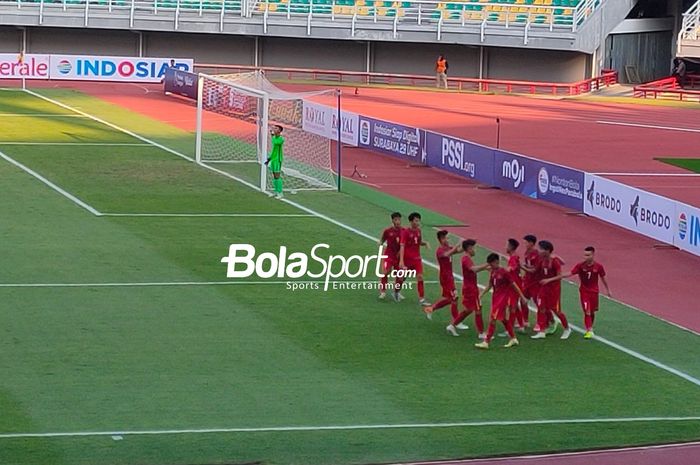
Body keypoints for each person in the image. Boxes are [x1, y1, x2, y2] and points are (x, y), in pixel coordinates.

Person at [544, 246, 611, 339]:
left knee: (592, 312)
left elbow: (603, 277)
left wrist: (608, 290)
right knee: (587, 311)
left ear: (593, 255)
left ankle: (590, 326)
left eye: (588, 255)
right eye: (585, 255)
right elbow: (570, 273)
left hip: (594, 292)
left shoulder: (598, 266)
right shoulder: (580, 265)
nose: (586, 257)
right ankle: (589, 330)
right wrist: (557, 277)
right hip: (584, 292)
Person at [475, 254, 527, 350]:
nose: (490, 266)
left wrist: (522, 297)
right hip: (495, 298)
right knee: (503, 319)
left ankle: (486, 341)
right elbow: (490, 285)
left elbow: (514, 285)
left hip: (502, 299)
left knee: (493, 319)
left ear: (496, 262)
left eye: (491, 264)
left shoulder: (504, 272)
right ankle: (513, 338)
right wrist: (481, 294)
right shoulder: (493, 272)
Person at [424, 230, 465, 336]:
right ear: (442, 239)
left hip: (449, 277)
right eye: (447, 238)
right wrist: (458, 243)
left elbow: (458, 251)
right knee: (454, 298)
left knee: (450, 299)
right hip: (446, 278)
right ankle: (457, 321)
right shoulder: (440, 251)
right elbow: (449, 254)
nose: (448, 240)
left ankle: (431, 309)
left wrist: (466, 245)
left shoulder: (448, 248)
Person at [531, 240, 571, 340]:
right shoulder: (541, 260)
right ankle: (542, 331)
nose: (538, 251)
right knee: (541, 308)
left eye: (541, 249)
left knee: (556, 311)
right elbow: (535, 270)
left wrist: (548, 280)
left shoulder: (554, 262)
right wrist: (522, 266)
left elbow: (560, 276)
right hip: (544, 289)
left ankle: (567, 328)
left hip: (554, 290)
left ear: (547, 251)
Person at [457, 239, 490, 339]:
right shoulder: (466, 259)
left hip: (469, 288)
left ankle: (452, 325)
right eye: (473, 248)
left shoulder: (467, 259)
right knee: (478, 309)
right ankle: (481, 333)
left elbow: (473, 269)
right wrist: (488, 263)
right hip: (470, 289)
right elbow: (474, 269)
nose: (475, 250)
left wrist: (485, 268)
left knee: (469, 310)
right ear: (469, 248)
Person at [396, 212, 430, 306]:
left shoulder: (418, 231)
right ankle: (396, 291)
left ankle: (422, 298)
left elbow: (418, 242)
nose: (418, 222)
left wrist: (425, 243)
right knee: (402, 277)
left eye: (418, 220)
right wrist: (401, 261)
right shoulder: (405, 232)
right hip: (407, 259)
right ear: (411, 221)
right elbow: (402, 246)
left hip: (417, 259)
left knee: (420, 276)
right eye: (416, 220)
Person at [378, 212, 404, 300]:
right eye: (396, 219)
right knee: (385, 272)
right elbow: (382, 239)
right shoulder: (388, 231)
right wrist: (380, 243)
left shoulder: (404, 231)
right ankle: (383, 292)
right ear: (392, 220)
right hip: (389, 255)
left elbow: (405, 244)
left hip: (399, 258)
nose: (398, 221)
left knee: (400, 277)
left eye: (399, 219)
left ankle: (396, 292)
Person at [505, 238, 526, 332]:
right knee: (515, 306)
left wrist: (499, 270)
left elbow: (511, 268)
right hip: (516, 283)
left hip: (514, 285)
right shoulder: (514, 256)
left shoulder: (513, 257)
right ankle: (521, 325)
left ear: (511, 247)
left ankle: (509, 329)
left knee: (512, 307)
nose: (505, 247)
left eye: (507, 245)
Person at [520, 234, 540, 330]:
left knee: (539, 303)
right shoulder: (527, 252)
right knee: (523, 300)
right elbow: (528, 266)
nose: (524, 244)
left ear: (531, 243)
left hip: (535, 282)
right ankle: (526, 321)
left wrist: (522, 267)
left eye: (526, 242)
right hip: (527, 281)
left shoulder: (537, 254)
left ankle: (544, 322)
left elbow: (534, 270)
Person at [264, 125, 285, 198]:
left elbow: (275, 142)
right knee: (274, 176)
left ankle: (280, 192)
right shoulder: (275, 138)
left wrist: (272, 135)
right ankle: (276, 191)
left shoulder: (281, 139)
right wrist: (269, 159)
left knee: (277, 176)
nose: (274, 129)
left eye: (276, 128)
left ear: (279, 131)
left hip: (278, 160)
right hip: (273, 159)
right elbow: (274, 150)